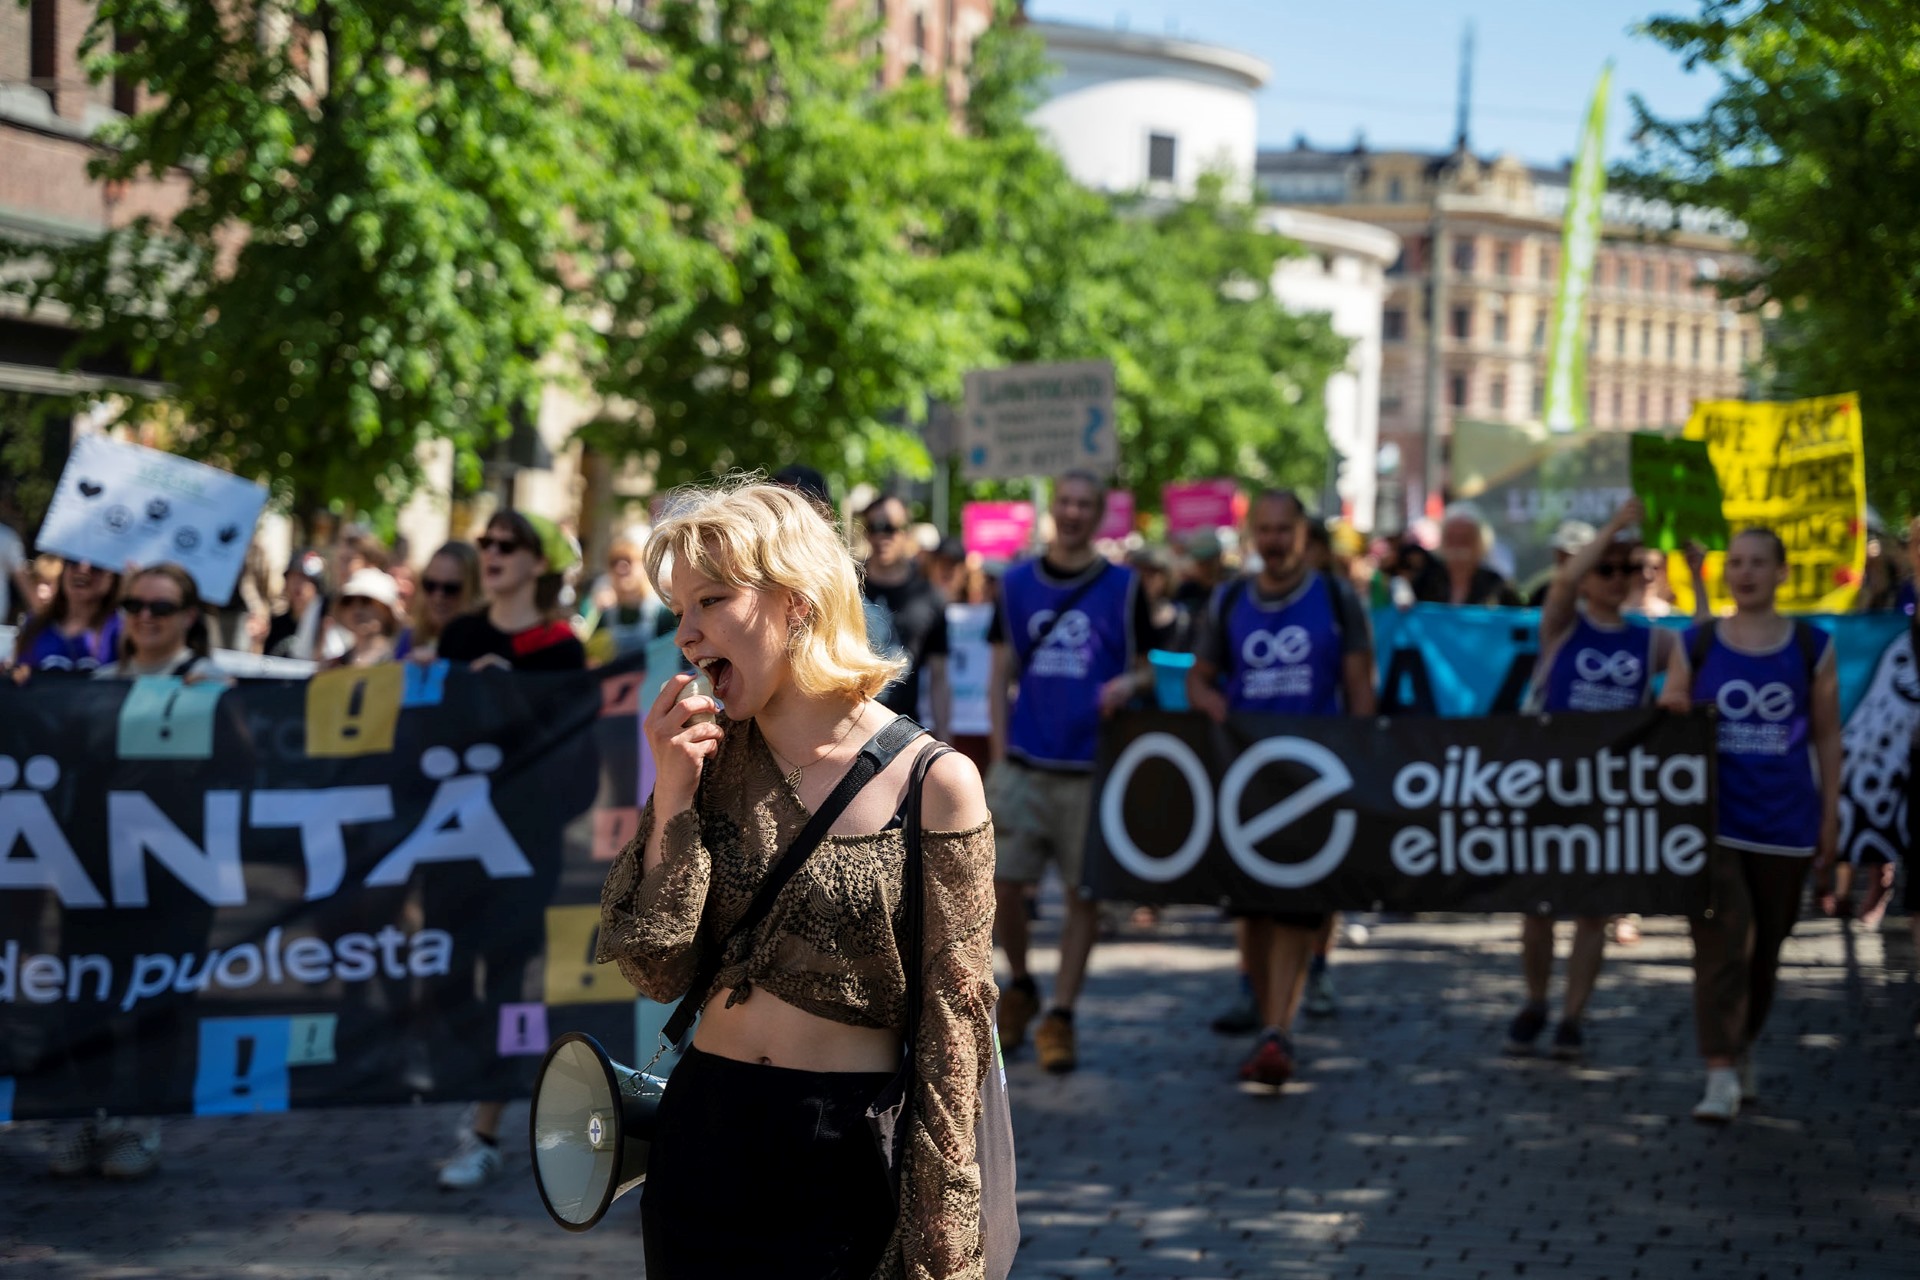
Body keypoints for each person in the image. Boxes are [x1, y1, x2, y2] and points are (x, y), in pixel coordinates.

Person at [595, 479, 995, 1278]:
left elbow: (957, 1033)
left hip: (842, 1153)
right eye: (678, 611)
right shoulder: (706, 761)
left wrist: (944, 1252)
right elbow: (654, 965)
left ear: (797, 598)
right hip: (702, 1137)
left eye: (710, 601)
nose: (688, 634)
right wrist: (671, 791)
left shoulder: (935, 783)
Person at [1186, 490, 1376, 1088]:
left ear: (1303, 534)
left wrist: (1363, 761)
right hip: (1247, 779)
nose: (1272, 541)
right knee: (1255, 905)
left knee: (1296, 908)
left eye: (1282, 530)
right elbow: (1199, 677)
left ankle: (1277, 1031)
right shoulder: (1231, 599)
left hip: (1314, 780)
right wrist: (1211, 702)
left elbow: (1360, 689)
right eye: (1262, 531)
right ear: (1252, 535)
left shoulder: (1337, 598)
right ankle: (1269, 1017)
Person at [1507, 499, 1693, 1062]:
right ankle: (1536, 1000)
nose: (1617, 579)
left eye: (1628, 569)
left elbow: (1701, 643)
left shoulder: (1649, 640)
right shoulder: (1562, 626)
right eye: (1605, 568)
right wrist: (1615, 528)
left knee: (1594, 912)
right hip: (1552, 785)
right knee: (1538, 907)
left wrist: (1699, 580)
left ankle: (1572, 1016)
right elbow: (1562, 581)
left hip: (1609, 793)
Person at [432, 511, 586, 1189]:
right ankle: (484, 1083)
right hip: (449, 834)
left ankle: (484, 1127)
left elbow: (570, 748)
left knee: (502, 976)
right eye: (484, 544)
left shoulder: (560, 649)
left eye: (505, 544)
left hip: (521, 842)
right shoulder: (459, 633)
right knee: (442, 974)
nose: (490, 554)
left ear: (535, 563)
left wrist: (513, 693)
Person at [988, 470, 1152, 1073]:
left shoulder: (1125, 586)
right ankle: (1023, 982)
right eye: (1067, 502)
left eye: (1087, 504)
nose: (1076, 512)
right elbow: (999, 672)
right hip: (1026, 763)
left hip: (1091, 766)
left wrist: (1129, 683)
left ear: (1101, 513)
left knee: (1084, 895)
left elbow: (1149, 667)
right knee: (1001, 885)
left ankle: (1062, 1014)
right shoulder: (1015, 584)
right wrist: (1002, 753)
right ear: (1052, 508)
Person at [1683, 528, 1842, 1123]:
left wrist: (1830, 815)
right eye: (1736, 563)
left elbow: (1827, 734)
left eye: (1757, 563)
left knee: (1765, 951)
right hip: (1712, 823)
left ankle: (1742, 1042)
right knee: (1721, 946)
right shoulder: (1695, 644)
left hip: (1786, 822)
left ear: (1782, 572)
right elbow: (1671, 709)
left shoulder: (1812, 646)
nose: (1745, 573)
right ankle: (1719, 1069)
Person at [860, 495, 951, 739]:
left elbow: (939, 675)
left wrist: (944, 736)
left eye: (890, 528)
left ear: (906, 533)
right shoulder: (846, 585)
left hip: (903, 733)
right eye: (874, 528)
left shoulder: (929, 596)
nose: (881, 537)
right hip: (849, 729)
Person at [10, 560, 121, 678]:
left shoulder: (121, 629)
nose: (83, 569)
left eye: (95, 565)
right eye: (73, 561)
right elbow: (20, 674)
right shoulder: (34, 625)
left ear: (110, 578)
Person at [584, 534, 672, 664]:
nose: (621, 568)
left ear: (643, 566)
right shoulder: (606, 615)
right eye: (614, 563)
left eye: (628, 561)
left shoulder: (662, 613)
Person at [1416, 504, 1523, 606]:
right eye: (1453, 538)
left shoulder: (1497, 586)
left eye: (1465, 539)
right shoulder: (1425, 582)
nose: (1458, 545)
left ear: (1480, 542)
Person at [394, 541, 481, 661]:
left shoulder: (484, 646)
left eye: (450, 588)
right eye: (430, 585)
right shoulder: (409, 638)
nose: (438, 596)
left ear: (473, 590)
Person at [327, 568, 402, 668]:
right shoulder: (335, 666)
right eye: (348, 601)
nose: (356, 609)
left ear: (386, 610)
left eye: (366, 601)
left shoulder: (401, 659)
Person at [1526, 520, 1596, 607]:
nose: (1562, 559)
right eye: (1560, 553)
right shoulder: (1545, 591)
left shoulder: (1603, 592)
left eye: (1570, 555)